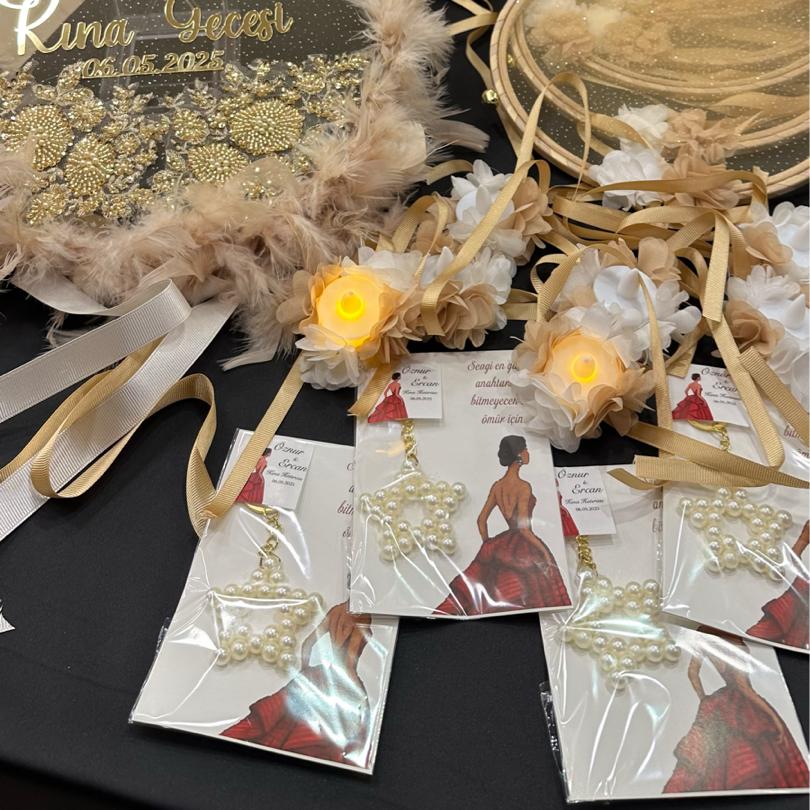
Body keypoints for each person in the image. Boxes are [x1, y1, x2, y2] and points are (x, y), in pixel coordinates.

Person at [222, 602, 373, 769]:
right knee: (322, 741)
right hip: (342, 684)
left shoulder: (337, 612)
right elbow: (349, 667)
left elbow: (308, 643)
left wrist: (305, 673)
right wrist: (359, 698)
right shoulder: (362, 618)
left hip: (316, 676)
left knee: (277, 719)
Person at [434, 436, 571, 616]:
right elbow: (523, 528)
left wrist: (489, 544)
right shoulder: (524, 487)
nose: (528, 453)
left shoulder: (497, 486)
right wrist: (544, 552)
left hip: (501, 543)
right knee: (531, 590)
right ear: (518, 454)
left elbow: (481, 520)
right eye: (525, 449)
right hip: (524, 544)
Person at [664, 631, 809, 793]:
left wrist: (704, 698)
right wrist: (774, 718)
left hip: (720, 703)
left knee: (713, 755)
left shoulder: (706, 641)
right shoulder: (733, 644)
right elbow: (744, 688)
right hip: (745, 707)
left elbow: (692, 673)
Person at [747, 520, 809, 650]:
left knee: (795, 645)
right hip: (796, 596)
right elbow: (794, 555)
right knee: (761, 631)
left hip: (802, 609)